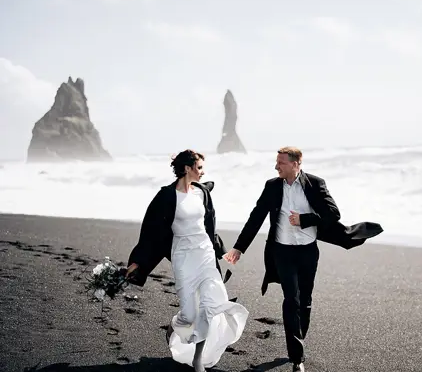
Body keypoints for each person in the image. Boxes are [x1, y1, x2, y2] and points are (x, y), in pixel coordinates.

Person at [223, 146, 383, 372]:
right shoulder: (272, 186)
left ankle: (298, 337)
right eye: (276, 162)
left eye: (281, 163)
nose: (276, 166)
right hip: (282, 251)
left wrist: (305, 219)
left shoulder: (315, 184)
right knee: (292, 299)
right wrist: (239, 247)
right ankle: (297, 357)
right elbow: (256, 216)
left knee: (305, 300)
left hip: (308, 251)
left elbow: (333, 214)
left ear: (296, 164)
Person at [125, 149, 248, 372]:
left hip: (206, 256)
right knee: (190, 314)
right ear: (186, 169)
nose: (203, 172)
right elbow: (150, 232)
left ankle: (198, 360)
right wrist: (137, 262)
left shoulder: (202, 193)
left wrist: (222, 251)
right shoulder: (166, 196)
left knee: (209, 306)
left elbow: (209, 228)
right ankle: (175, 327)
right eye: (199, 167)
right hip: (183, 257)